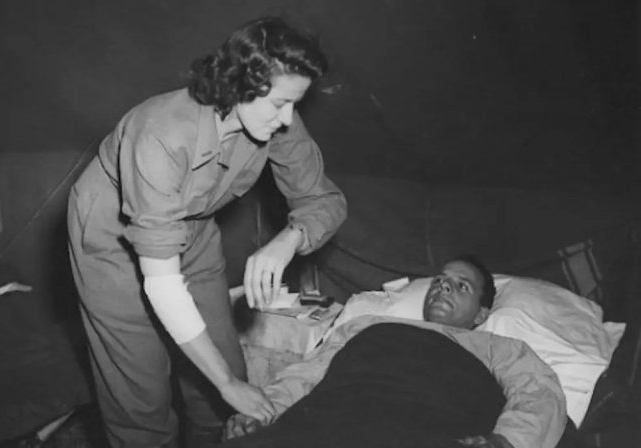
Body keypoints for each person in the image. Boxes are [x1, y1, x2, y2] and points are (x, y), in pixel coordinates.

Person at [66, 16, 347, 448]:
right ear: (241, 84)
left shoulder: (275, 119)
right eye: (279, 103)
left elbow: (326, 201)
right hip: (111, 241)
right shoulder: (160, 133)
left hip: (192, 231)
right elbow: (163, 285)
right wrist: (227, 385)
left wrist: (289, 239)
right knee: (141, 397)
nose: (288, 118)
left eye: (295, 103)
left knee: (224, 382)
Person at [222, 256, 568, 448]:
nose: (443, 287)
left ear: (481, 314)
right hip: (322, 426)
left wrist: (505, 442)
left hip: (429, 433)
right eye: (439, 281)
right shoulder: (366, 324)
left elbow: (539, 393)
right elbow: (305, 376)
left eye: (461, 286)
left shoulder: (499, 348)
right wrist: (262, 413)